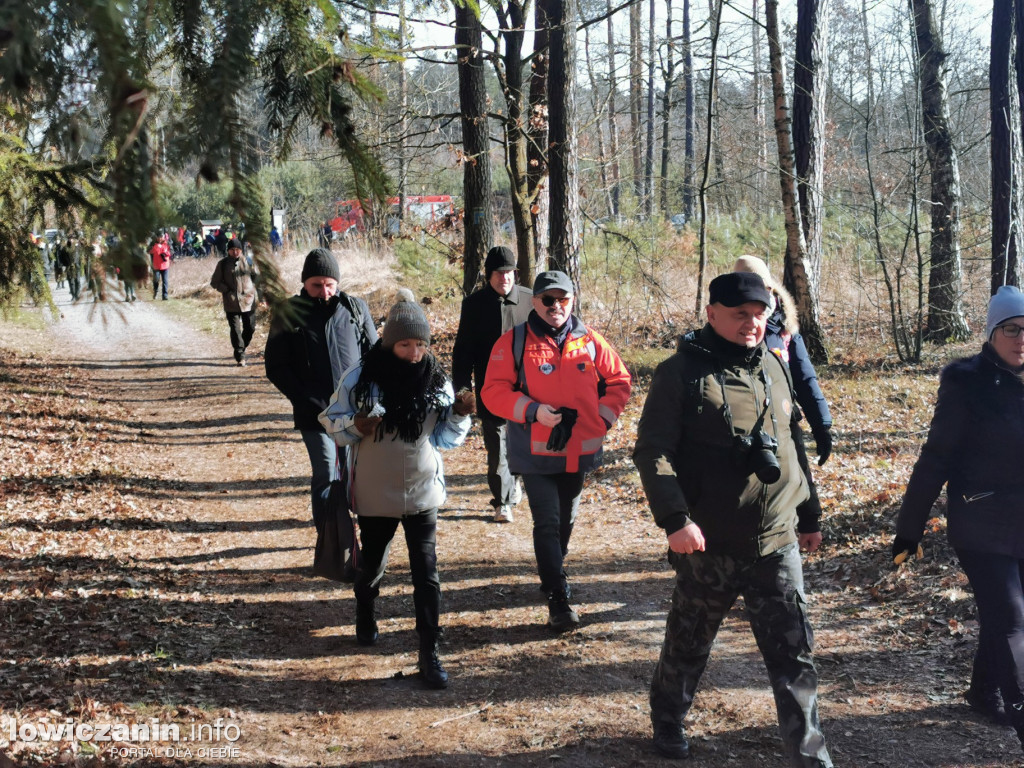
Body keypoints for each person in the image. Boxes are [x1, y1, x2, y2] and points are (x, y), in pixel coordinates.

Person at [632, 271, 832, 766]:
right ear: (712, 314)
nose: (752, 323)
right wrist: (675, 519)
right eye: (740, 314)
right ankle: (668, 719)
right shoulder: (678, 374)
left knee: (794, 658)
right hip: (709, 543)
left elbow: (791, 446)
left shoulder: (774, 365)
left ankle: (810, 756)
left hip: (777, 541)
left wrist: (809, 513)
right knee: (688, 643)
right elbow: (652, 452)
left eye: (759, 314)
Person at [320, 290, 474, 689]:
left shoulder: (436, 380)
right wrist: (356, 425)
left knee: (427, 574)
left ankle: (429, 652)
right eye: (405, 343)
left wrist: (458, 414)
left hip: (423, 490)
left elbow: (443, 439)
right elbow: (331, 422)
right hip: (375, 492)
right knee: (372, 565)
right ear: (389, 342)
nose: (414, 352)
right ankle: (365, 608)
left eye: (421, 343)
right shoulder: (360, 378)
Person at [894, 285, 1024, 750]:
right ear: (991, 332)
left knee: (1003, 614)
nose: (1021, 338)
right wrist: (909, 529)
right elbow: (936, 459)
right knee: (1011, 616)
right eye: (1011, 328)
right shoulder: (966, 382)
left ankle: (981, 690)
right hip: (981, 521)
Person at [481, 270, 632, 631]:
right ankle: (558, 598)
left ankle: (553, 572)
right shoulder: (513, 342)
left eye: (562, 299)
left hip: (579, 449)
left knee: (565, 522)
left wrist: (603, 419)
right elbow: (493, 392)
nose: (555, 307)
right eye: (547, 300)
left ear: (572, 301)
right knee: (547, 521)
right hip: (535, 452)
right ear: (534, 302)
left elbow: (620, 381)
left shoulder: (591, 340)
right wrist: (534, 411)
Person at [265, 248, 377, 528]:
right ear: (304, 283)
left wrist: (370, 397)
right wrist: (305, 399)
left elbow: (376, 356)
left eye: (330, 285)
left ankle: (361, 532)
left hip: (356, 413)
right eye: (317, 285)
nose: (325, 292)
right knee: (327, 472)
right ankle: (331, 537)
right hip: (314, 414)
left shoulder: (355, 308)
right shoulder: (288, 313)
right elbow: (276, 366)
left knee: (357, 475)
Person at [452, 245, 533, 523]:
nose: (504, 278)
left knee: (521, 443)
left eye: (509, 272)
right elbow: (462, 352)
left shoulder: (530, 301)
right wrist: (462, 389)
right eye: (499, 273)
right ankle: (502, 502)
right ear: (489, 275)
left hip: (526, 390)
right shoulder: (473, 305)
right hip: (490, 389)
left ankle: (516, 480)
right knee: (496, 444)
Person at [734, 256, 833, 465]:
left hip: (785, 424)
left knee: (800, 490)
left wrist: (821, 425)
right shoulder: (731, 327)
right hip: (740, 429)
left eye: (764, 288)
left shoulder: (785, 328)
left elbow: (804, 378)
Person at [210, 238, 260, 366]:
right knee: (235, 329)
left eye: (237, 249)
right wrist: (225, 290)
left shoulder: (248, 261)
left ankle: (241, 348)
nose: (235, 252)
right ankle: (240, 356)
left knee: (250, 327)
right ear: (228, 251)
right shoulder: (223, 264)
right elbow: (214, 282)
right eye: (232, 250)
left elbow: (258, 280)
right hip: (231, 302)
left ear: (241, 250)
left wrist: (261, 297)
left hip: (248, 300)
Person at [150, 233, 172, 300]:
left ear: (163, 237)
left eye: (161, 237)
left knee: (165, 281)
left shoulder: (167, 244)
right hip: (156, 265)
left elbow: (172, 252)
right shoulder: (153, 244)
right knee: (156, 280)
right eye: (158, 237)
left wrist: (165, 254)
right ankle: (156, 292)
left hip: (165, 265)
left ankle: (165, 295)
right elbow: (149, 251)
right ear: (156, 238)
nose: (160, 238)